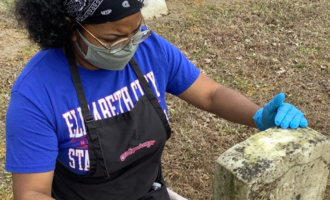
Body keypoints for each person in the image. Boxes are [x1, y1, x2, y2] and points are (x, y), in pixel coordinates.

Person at [5, 0, 308, 199]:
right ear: (70, 27)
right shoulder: (35, 95)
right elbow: (32, 193)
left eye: (134, 32)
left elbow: (212, 95)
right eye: (112, 39)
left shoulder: (150, 50)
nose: (128, 46)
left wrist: (259, 116)